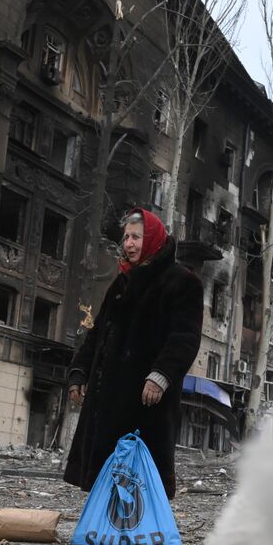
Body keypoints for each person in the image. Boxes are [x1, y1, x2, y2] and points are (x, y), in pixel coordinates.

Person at [64, 207, 203, 499]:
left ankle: (137, 535)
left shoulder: (182, 282)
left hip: (146, 401)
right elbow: (98, 334)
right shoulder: (121, 283)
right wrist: (80, 372)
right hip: (108, 399)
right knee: (105, 478)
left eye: (136, 237)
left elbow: (185, 338)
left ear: (152, 238)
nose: (128, 243)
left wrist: (160, 375)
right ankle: (105, 534)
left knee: (140, 482)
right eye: (126, 237)